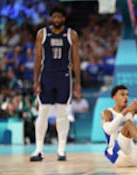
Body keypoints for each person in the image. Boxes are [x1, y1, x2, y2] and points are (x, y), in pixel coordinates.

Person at [30, 5, 81, 161]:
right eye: (54, 17)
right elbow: (38, 58)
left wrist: (78, 82)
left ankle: (61, 150)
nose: (56, 20)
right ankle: (38, 150)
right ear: (51, 18)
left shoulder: (71, 34)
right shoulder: (42, 33)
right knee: (43, 112)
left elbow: (75, 60)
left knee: (62, 113)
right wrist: (35, 81)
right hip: (46, 76)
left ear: (63, 18)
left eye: (59, 17)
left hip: (64, 77)